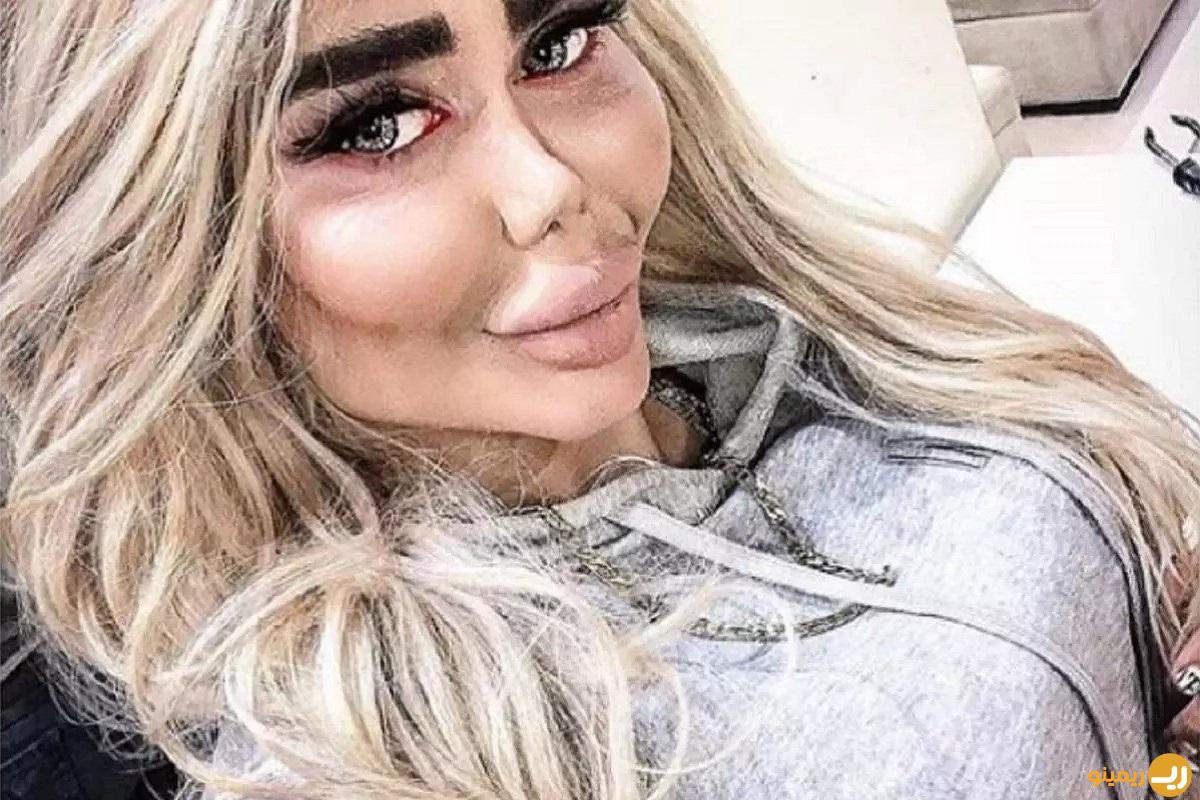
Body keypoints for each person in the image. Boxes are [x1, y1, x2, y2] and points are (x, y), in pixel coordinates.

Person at [1, 1, 1199, 799]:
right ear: (170, 239)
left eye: (559, 44)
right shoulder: (373, 753)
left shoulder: (797, 345)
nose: (552, 186)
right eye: (379, 125)